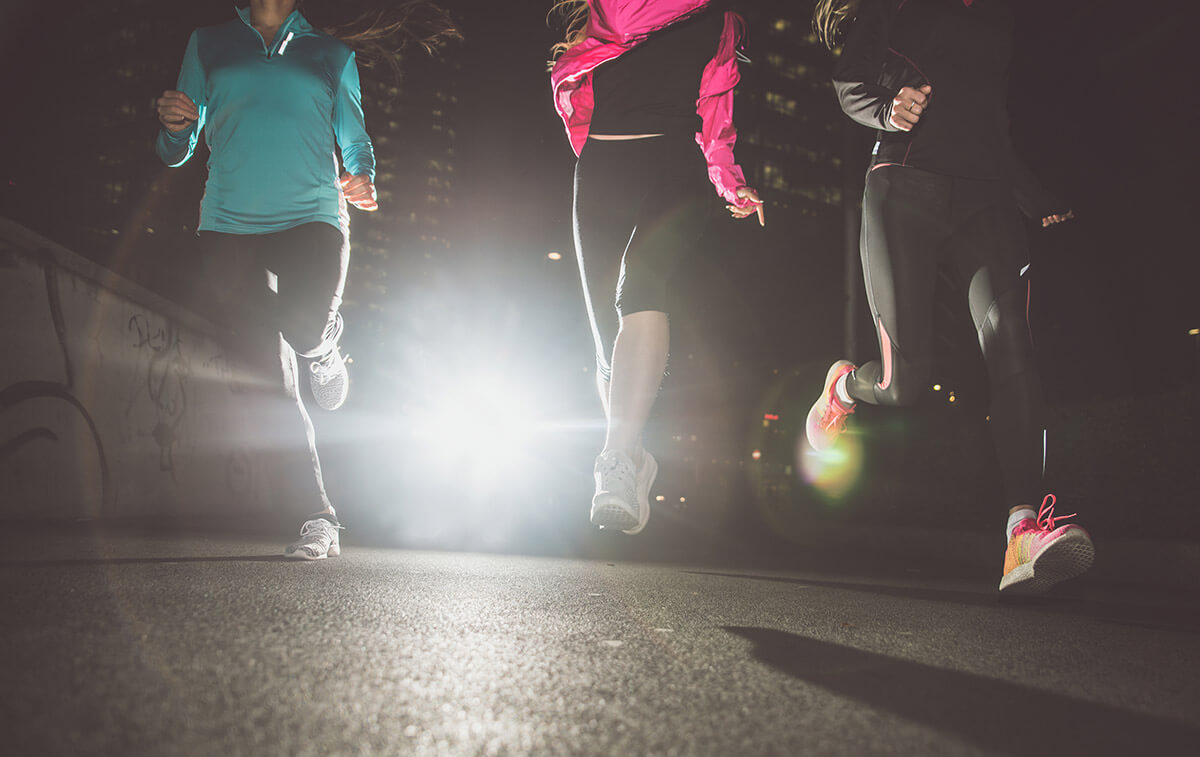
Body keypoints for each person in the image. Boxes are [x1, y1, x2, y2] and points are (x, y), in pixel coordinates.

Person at [806, 0, 1092, 593]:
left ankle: (1023, 531)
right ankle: (843, 387)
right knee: (901, 384)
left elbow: (988, 120)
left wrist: (1032, 193)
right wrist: (887, 109)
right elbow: (847, 82)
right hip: (904, 186)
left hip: (987, 199)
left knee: (1012, 341)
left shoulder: (999, 18)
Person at [154, 0, 455, 559]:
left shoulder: (331, 53)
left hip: (312, 215)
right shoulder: (207, 42)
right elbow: (178, 149)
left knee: (302, 322)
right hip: (227, 222)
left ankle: (322, 344)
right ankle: (318, 517)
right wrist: (174, 128)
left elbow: (355, 137)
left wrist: (362, 177)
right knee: (267, 376)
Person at [550, 0, 764, 535]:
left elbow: (716, 109)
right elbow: (625, 20)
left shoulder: (720, 20)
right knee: (605, 341)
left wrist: (729, 180)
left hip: (674, 168)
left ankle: (615, 459)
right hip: (601, 168)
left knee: (640, 288)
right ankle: (633, 455)